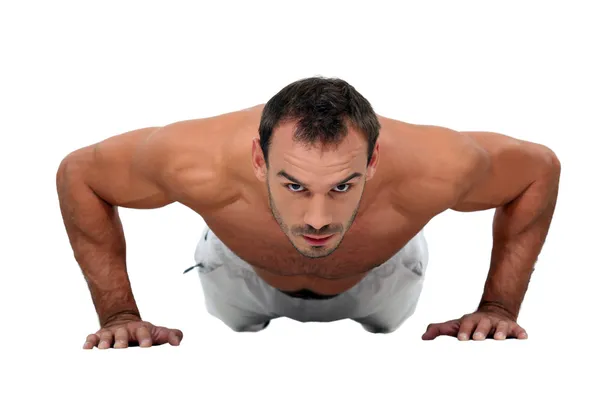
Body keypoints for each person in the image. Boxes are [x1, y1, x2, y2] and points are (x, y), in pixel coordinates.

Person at [56, 77, 561, 349]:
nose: (317, 218)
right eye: (294, 185)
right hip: (238, 273)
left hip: (381, 276)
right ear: (259, 160)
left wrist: (498, 308)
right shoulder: (192, 159)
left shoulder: (440, 164)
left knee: (386, 327)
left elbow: (538, 169)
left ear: (374, 161)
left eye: (343, 185)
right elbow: (81, 173)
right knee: (236, 325)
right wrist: (119, 315)